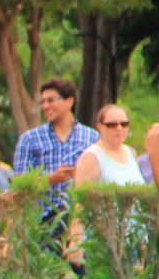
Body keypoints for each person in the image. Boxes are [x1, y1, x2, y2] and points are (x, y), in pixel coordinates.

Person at [12, 77, 99, 219]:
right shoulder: (30, 139)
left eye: (51, 100)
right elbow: (19, 184)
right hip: (43, 223)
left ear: (69, 102)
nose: (45, 106)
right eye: (43, 102)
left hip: (82, 218)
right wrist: (51, 179)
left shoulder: (92, 137)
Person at [74, 104, 144, 187]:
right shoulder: (92, 157)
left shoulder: (130, 152)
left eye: (124, 124)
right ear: (100, 127)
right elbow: (81, 195)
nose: (119, 128)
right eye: (112, 125)